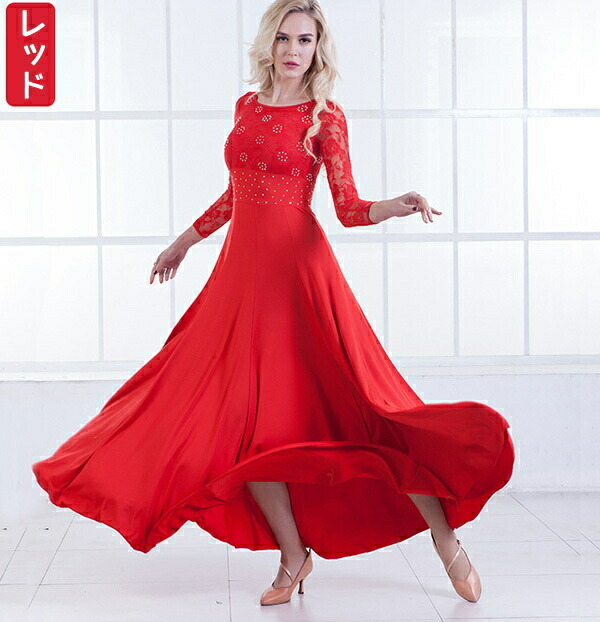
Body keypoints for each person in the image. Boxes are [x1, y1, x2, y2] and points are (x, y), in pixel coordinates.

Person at [32, 0, 515, 608]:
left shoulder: (324, 117)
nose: (293, 50)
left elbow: (347, 208)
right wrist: (183, 242)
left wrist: (395, 205)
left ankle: (446, 542)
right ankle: (293, 556)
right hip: (241, 282)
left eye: (305, 40)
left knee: (367, 415)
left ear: (318, 48)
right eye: (284, 38)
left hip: (300, 280)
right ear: (270, 43)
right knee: (247, 426)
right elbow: (235, 194)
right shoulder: (247, 106)